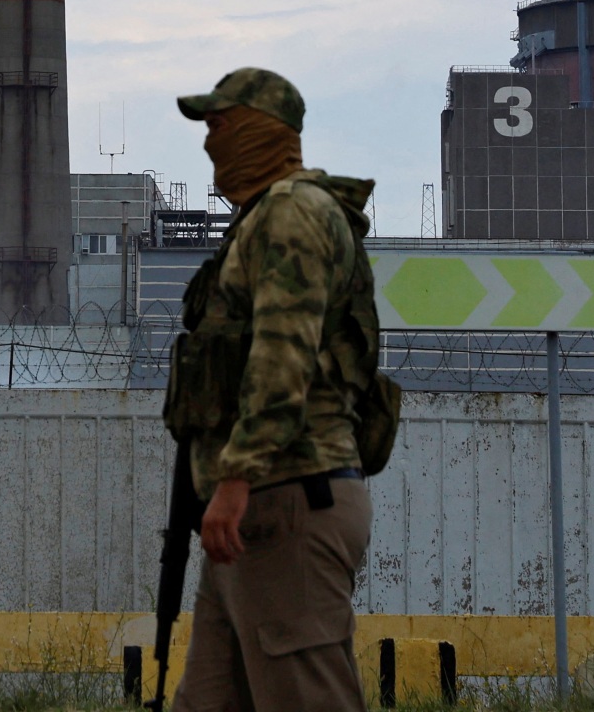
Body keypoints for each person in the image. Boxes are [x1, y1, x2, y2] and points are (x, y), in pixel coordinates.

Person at [166, 67, 380, 712]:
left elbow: (282, 356)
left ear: (259, 131)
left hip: (286, 496)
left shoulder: (292, 215)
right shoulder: (263, 217)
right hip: (255, 510)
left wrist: (236, 479)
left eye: (219, 125)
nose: (210, 142)